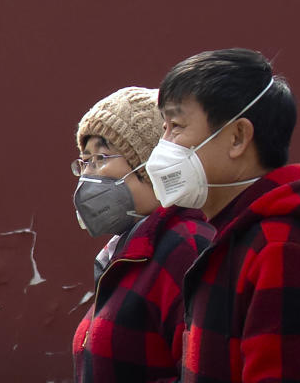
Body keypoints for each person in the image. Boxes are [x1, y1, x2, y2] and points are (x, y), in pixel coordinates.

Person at [145, 49, 300, 383]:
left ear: (238, 137)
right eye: (164, 128)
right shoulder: (233, 236)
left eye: (177, 127)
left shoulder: (281, 248)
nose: (163, 146)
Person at [71, 86, 215, 382]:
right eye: (85, 161)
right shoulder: (123, 254)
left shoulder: (186, 246)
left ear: (150, 164)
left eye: (102, 156)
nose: (90, 175)